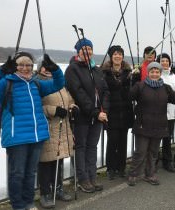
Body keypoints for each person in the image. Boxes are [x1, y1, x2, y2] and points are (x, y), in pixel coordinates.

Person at [0, 52, 64, 210]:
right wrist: (1, 70)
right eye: (21, 65)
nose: (25, 68)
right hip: (16, 137)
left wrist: (55, 69)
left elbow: (58, 84)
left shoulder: (36, 84)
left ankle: (28, 201)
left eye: (29, 65)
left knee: (30, 173)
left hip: (36, 136)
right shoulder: (6, 84)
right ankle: (18, 205)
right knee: (17, 173)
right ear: (15, 66)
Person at [127, 62, 175, 186]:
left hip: (159, 125)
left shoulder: (166, 88)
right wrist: (132, 81)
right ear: (148, 73)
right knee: (140, 152)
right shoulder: (140, 86)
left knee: (153, 152)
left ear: (160, 73)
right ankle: (133, 174)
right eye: (152, 72)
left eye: (157, 72)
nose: (154, 74)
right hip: (143, 125)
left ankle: (150, 174)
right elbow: (129, 96)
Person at [64, 38, 110, 193]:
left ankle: (92, 176)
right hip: (82, 117)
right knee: (81, 147)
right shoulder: (72, 69)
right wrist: (95, 112)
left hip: (97, 116)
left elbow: (105, 91)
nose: (87, 52)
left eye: (90, 49)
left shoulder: (96, 70)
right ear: (78, 52)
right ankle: (82, 178)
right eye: (84, 49)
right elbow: (79, 93)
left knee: (92, 147)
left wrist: (104, 111)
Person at [36, 58, 76, 208]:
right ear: (39, 69)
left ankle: (58, 188)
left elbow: (69, 99)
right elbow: (36, 107)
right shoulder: (37, 83)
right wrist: (53, 110)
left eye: (48, 67)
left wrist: (72, 107)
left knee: (58, 160)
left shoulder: (59, 83)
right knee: (46, 162)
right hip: (47, 127)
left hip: (62, 127)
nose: (46, 70)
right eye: (43, 67)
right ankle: (45, 193)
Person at [101, 45, 135, 180]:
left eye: (120, 54)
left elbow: (133, 91)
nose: (117, 56)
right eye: (115, 54)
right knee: (112, 141)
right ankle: (110, 168)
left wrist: (134, 79)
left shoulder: (129, 72)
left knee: (122, 141)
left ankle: (121, 167)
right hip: (111, 112)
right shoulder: (104, 72)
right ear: (111, 56)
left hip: (125, 111)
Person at [157, 53, 175, 172]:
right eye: (162, 60)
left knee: (167, 138)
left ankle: (167, 161)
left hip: (171, 112)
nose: (164, 62)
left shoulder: (174, 77)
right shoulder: (155, 75)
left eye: (166, 60)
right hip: (157, 112)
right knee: (155, 138)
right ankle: (153, 160)